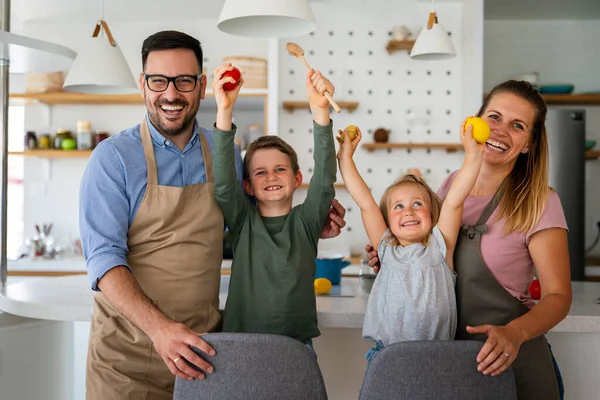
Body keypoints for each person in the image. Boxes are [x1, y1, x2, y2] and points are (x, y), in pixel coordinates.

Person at [79, 30, 346, 400]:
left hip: (205, 355)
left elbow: (258, 228)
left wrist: (311, 227)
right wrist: (160, 331)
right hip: (127, 357)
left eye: (184, 81)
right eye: (158, 81)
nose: (171, 94)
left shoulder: (226, 155)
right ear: (143, 83)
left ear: (202, 86)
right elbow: (104, 261)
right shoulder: (112, 159)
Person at [366, 80, 572, 400]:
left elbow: (559, 296)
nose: (500, 131)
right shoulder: (449, 187)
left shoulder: (540, 202)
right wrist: (394, 259)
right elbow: (428, 255)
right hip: (450, 365)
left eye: (517, 125)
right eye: (494, 117)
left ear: (530, 143)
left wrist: (515, 334)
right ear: (474, 122)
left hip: (514, 363)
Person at [211, 63, 337, 348]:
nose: (270, 177)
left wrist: (320, 110)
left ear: (297, 178)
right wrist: (224, 110)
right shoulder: (242, 222)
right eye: (260, 172)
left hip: (297, 346)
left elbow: (326, 176)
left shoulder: (306, 222)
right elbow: (222, 184)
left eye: (280, 169)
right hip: (240, 344)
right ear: (247, 186)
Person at [336, 122, 483, 360]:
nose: (409, 211)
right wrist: (345, 158)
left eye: (417, 204)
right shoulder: (385, 247)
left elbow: (455, 199)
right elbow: (365, 203)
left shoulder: (440, 246)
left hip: (437, 358)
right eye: (399, 206)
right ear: (387, 219)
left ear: (433, 212)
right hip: (387, 357)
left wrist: (474, 155)